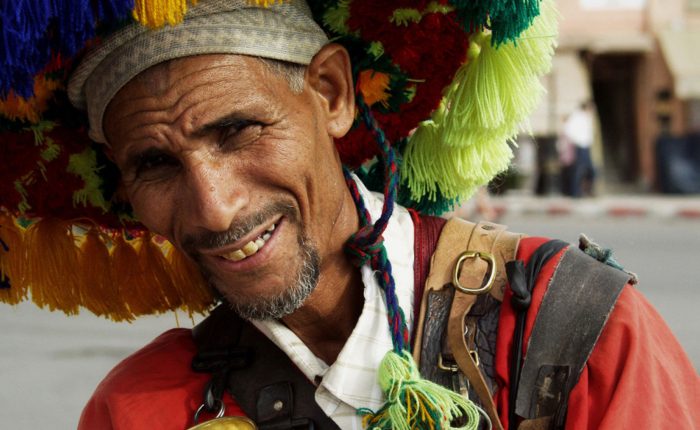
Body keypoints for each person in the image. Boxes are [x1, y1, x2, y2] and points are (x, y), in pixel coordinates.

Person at [0, 1, 697, 429]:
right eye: (155, 165)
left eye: (238, 130)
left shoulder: (574, 330)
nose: (215, 208)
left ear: (332, 93)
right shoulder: (142, 410)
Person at [562, 101, 597, 197]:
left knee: (589, 170)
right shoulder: (577, 116)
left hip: (586, 146)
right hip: (580, 146)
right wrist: (577, 140)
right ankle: (575, 192)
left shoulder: (587, 117)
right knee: (578, 170)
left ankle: (583, 190)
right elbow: (568, 129)